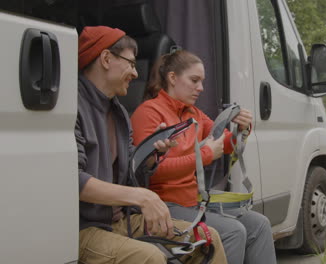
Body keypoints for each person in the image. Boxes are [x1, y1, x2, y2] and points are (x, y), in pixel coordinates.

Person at [76, 26, 227, 264]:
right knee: (150, 257)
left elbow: (131, 168)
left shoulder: (119, 112)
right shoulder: (72, 107)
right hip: (83, 229)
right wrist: (141, 197)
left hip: (120, 221)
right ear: (106, 59)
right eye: (131, 63)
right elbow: (74, 181)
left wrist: (152, 154)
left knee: (208, 239)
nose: (136, 74)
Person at [131, 50, 277, 264]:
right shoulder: (149, 113)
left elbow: (227, 144)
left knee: (260, 224)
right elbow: (151, 171)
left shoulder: (194, 114)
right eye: (194, 80)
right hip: (163, 206)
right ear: (172, 78)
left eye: (202, 81)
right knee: (233, 232)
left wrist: (242, 129)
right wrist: (206, 155)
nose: (200, 88)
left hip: (193, 203)